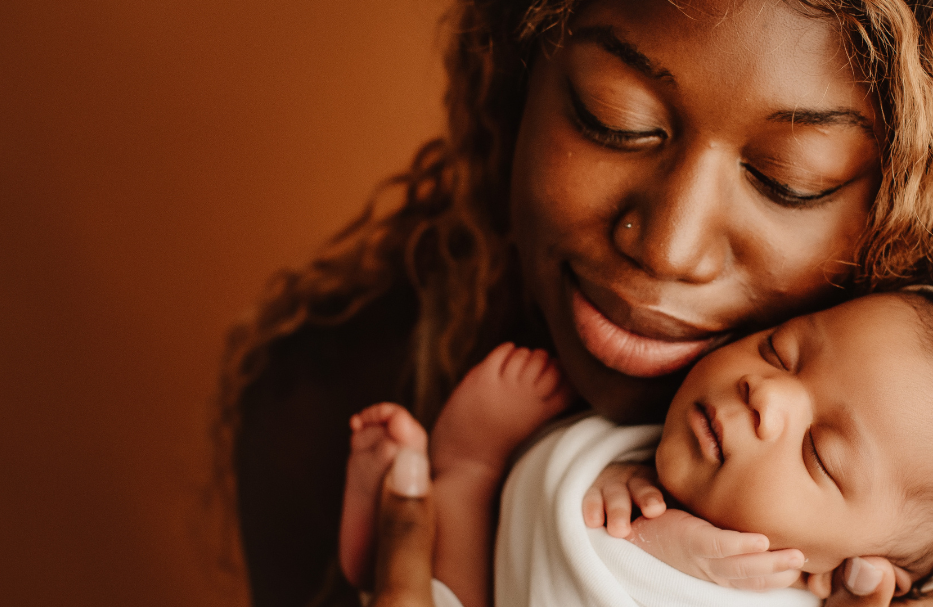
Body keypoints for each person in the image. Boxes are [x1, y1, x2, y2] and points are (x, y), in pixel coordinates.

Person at [216, 0, 933, 605]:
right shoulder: (317, 405)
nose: (668, 248)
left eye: (789, 180)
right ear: (519, 79)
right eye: (614, 117)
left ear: (910, 206)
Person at [338, 291, 933, 607]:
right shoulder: (657, 437)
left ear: (867, 568)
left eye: (819, 453)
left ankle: (449, 487)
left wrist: (658, 546)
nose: (767, 394)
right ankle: (466, 474)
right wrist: (631, 491)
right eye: (779, 350)